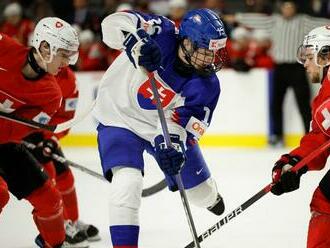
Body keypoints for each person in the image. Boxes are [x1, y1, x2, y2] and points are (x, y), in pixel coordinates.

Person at [93, 8, 228, 247]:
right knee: (127, 182)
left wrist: (172, 146)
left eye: (215, 52)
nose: (211, 59)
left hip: (160, 126)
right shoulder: (160, 30)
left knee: (200, 193)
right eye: (206, 51)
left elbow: (181, 124)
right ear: (186, 42)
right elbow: (111, 25)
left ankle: (210, 196)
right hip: (119, 117)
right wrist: (137, 44)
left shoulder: (207, 86)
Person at [0, 17, 88, 248]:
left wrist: (50, 140)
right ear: (45, 47)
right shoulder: (4, 46)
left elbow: (15, 132)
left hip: (4, 144)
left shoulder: (51, 95)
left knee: (51, 200)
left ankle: (54, 244)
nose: (67, 63)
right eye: (64, 55)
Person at [230, 0, 330, 146]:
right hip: (279, 68)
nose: (288, 10)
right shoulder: (274, 21)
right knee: (276, 103)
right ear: (281, 8)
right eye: (285, 7)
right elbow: (258, 20)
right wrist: (237, 17)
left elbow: (322, 24)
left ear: (295, 8)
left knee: (303, 103)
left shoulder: (303, 21)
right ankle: (276, 136)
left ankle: (309, 134)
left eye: (290, 7)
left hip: (297, 68)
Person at [24, 66, 100, 244]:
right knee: (47, 179)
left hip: (45, 135)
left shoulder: (69, 79)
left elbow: (65, 117)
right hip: (23, 133)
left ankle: (71, 222)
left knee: (65, 175)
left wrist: (52, 139)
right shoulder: (33, 72)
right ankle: (59, 226)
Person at [270, 25, 330, 248]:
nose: (304, 64)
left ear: (325, 55)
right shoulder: (323, 95)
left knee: (325, 202)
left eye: (308, 57)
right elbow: (319, 139)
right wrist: (293, 164)